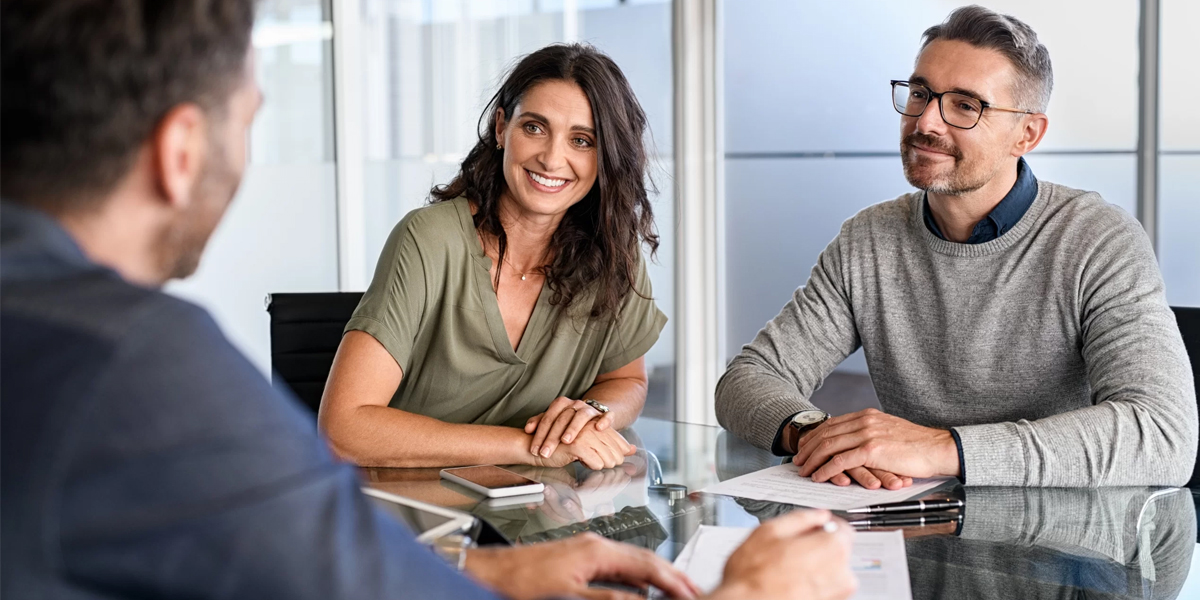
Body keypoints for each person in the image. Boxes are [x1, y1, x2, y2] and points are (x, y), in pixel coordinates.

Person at [0, 1, 858, 599]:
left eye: (582, 140)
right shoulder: (140, 368)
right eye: (253, 115)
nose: (553, 155)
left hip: (497, 538)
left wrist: (508, 548)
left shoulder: (56, 330)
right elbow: (333, 508)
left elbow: (311, 578)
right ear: (181, 148)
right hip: (415, 522)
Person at [715, 5, 1196, 489]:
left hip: (1065, 545)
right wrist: (816, 434)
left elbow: (1161, 435)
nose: (926, 122)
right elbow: (747, 379)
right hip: (911, 533)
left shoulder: (1097, 240)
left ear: (1026, 134)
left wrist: (943, 447)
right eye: (920, 93)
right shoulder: (868, 240)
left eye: (966, 105)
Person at [319, 44, 667, 471]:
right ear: (502, 128)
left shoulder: (614, 252)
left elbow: (626, 379)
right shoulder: (429, 239)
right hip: (408, 514)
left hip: (537, 517)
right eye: (535, 128)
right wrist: (529, 449)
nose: (552, 158)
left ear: (606, 155)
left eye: (581, 140)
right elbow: (343, 429)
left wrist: (593, 413)